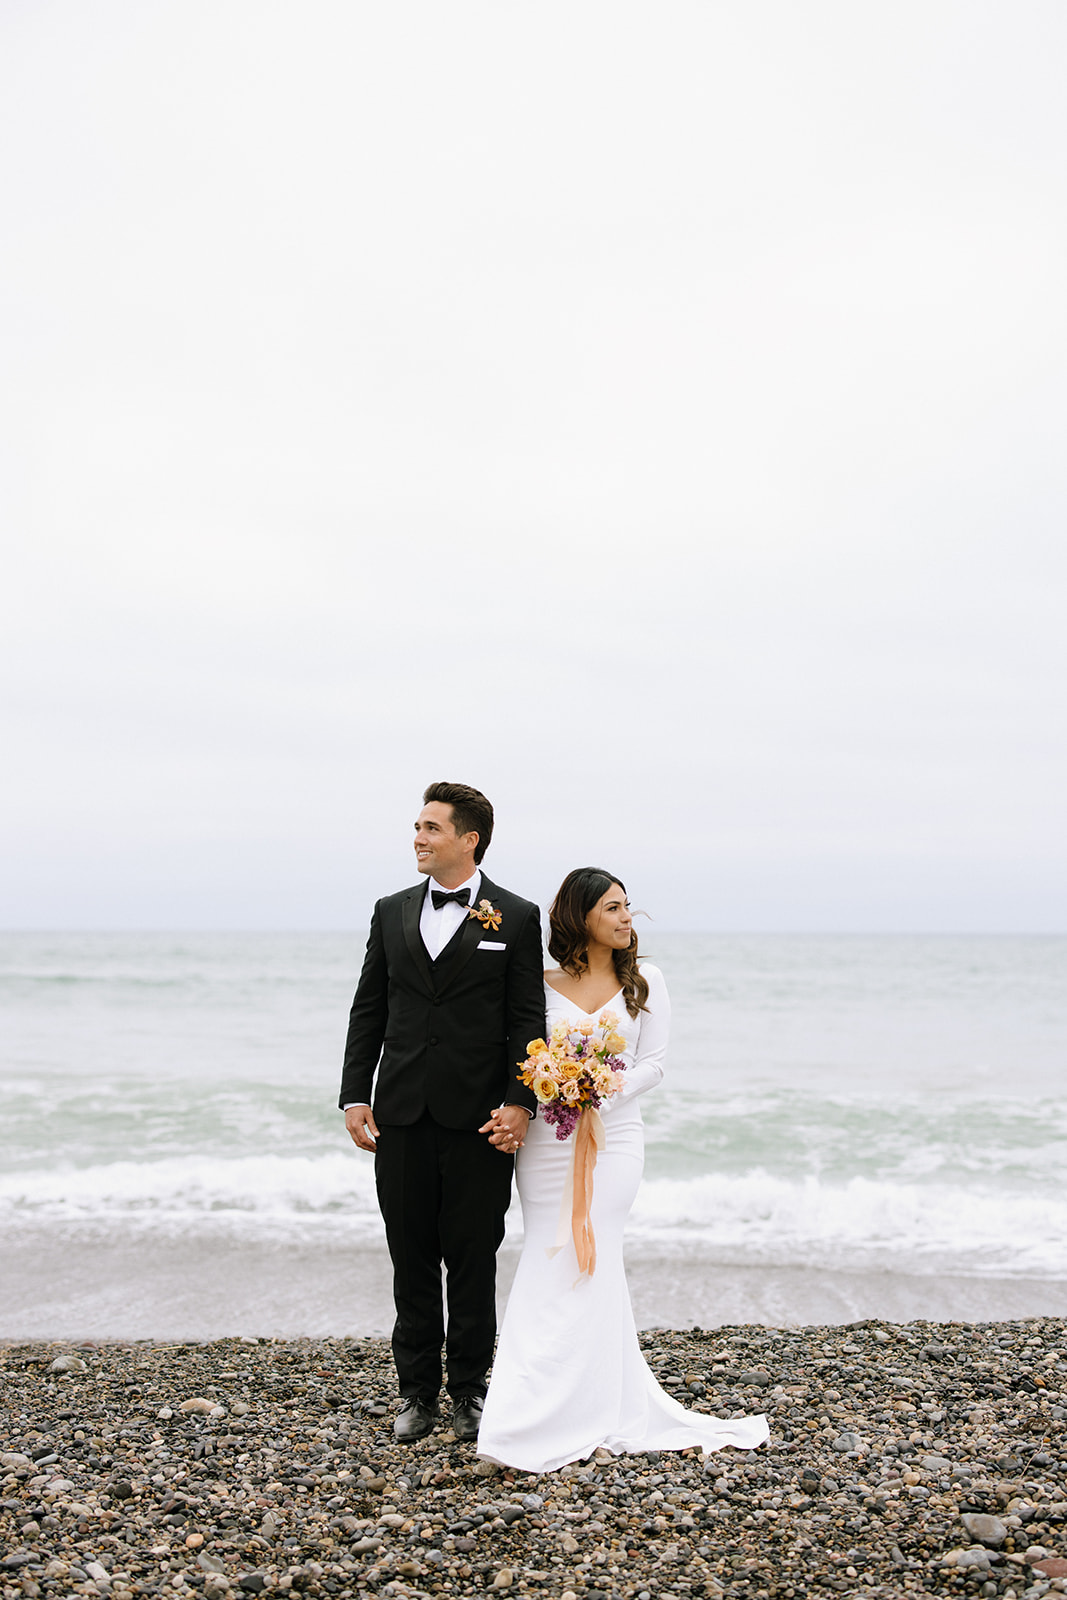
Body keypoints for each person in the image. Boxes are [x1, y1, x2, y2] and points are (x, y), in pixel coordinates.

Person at [478, 867, 769, 1472]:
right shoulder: (539, 981)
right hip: (547, 1143)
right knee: (547, 1253)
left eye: (628, 907)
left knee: (595, 1253)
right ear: (581, 916)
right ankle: (530, 1409)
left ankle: (589, 1407)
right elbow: (516, 1053)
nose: (625, 918)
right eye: (612, 908)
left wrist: (594, 1092)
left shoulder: (646, 981)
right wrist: (548, 1092)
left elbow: (655, 1064)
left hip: (615, 1142)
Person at [339, 782, 544, 1443]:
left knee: (473, 1258)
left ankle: (470, 1393)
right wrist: (354, 1093)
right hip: (399, 1114)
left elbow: (525, 1019)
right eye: (417, 827)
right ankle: (415, 1394)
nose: (418, 838)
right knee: (411, 1256)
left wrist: (520, 1102)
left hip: (480, 1121)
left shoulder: (514, 915)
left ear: (468, 839)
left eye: (430, 827)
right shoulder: (389, 910)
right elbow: (370, 1006)